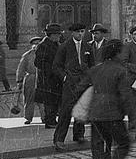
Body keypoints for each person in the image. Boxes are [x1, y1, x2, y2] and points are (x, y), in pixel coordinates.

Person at [73, 39, 134, 159]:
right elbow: (126, 95)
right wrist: (132, 118)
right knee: (124, 144)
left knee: (99, 148)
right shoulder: (120, 70)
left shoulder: (95, 69)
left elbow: (80, 87)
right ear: (118, 52)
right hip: (112, 114)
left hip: (95, 114)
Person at [52, 22, 92, 151]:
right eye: (78, 32)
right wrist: (64, 77)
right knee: (66, 111)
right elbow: (56, 66)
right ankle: (59, 139)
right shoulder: (64, 47)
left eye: (82, 31)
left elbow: (92, 64)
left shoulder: (87, 47)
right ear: (72, 33)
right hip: (70, 84)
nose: (80, 34)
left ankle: (78, 135)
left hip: (83, 83)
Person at [34, 23, 64, 128]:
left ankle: (52, 120)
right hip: (47, 79)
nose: (60, 36)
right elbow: (38, 63)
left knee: (55, 100)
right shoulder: (43, 46)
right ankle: (50, 121)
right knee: (49, 101)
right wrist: (53, 69)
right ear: (52, 35)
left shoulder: (56, 45)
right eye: (58, 34)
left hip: (55, 79)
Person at [16, 36, 44, 124]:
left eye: (38, 43)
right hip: (30, 79)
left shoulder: (45, 54)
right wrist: (19, 80)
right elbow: (21, 68)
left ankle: (45, 117)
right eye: (34, 43)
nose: (36, 45)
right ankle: (28, 117)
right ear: (31, 45)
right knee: (29, 99)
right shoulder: (27, 55)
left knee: (42, 99)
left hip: (42, 78)